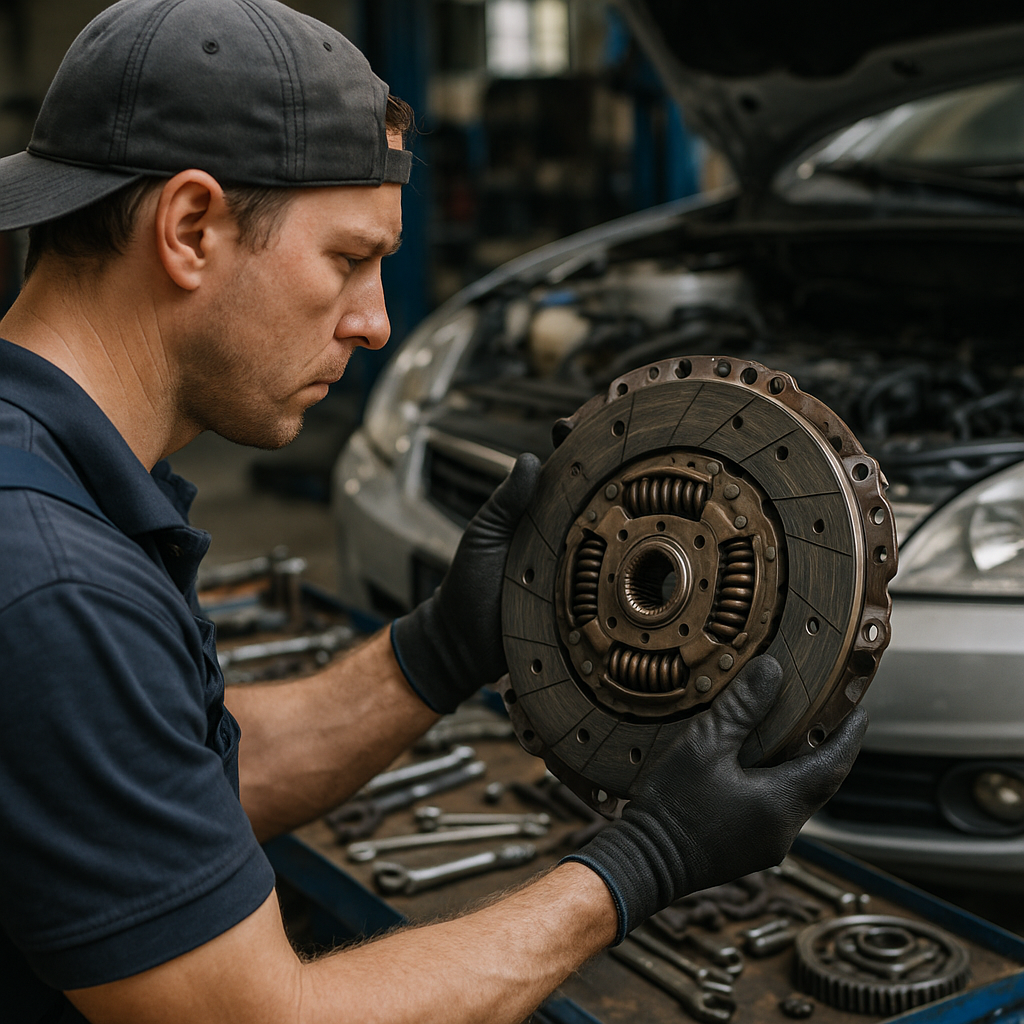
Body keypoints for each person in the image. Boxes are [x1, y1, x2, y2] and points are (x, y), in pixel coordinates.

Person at [0, 2, 866, 1022]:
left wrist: (440, 650)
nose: (375, 322)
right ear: (191, 228)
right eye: (347, 259)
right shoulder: (55, 582)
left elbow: (165, 777)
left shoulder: (42, 470)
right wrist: (646, 861)